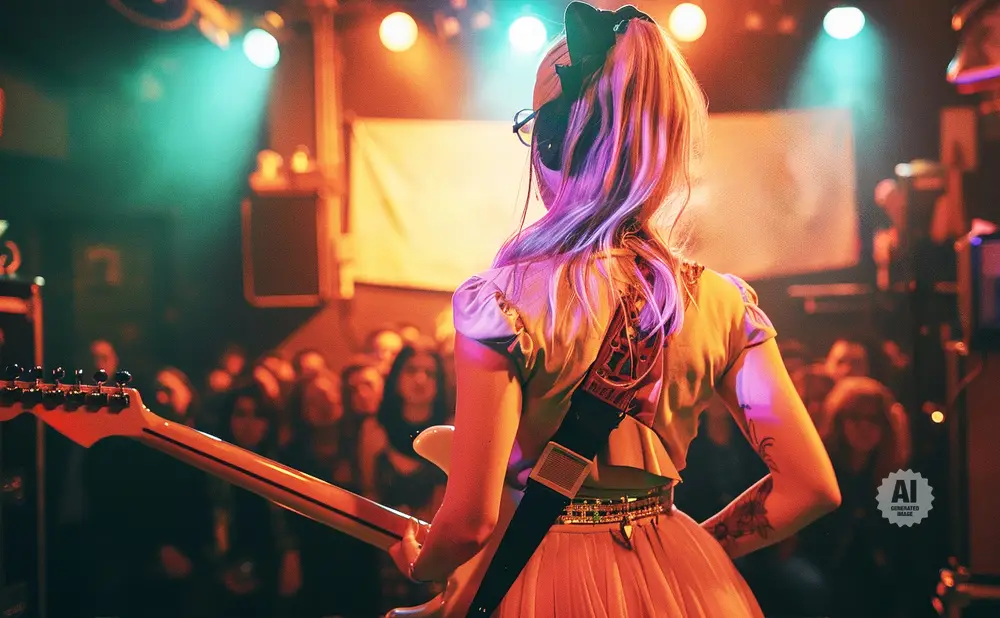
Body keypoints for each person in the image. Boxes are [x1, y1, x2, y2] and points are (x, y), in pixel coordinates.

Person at [388, 3, 841, 616]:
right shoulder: (721, 303)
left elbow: (469, 521)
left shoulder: (500, 300)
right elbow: (811, 488)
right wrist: (687, 550)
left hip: (541, 581)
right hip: (682, 580)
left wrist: (425, 561)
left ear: (551, 139)